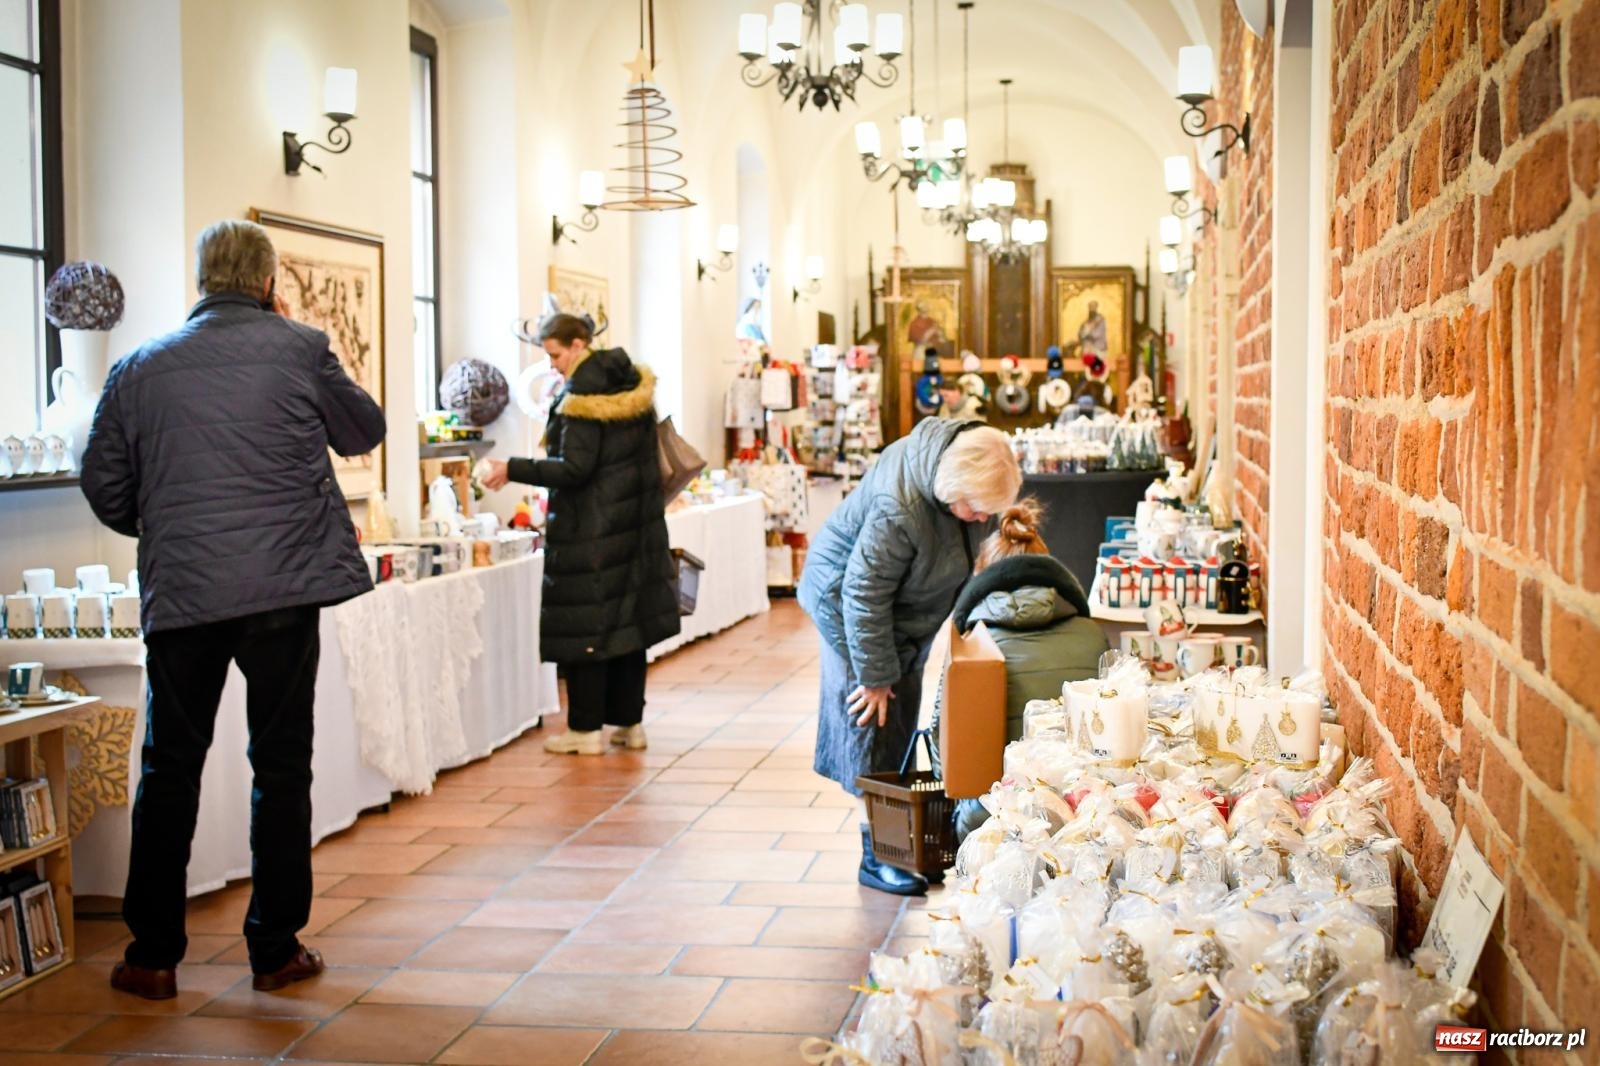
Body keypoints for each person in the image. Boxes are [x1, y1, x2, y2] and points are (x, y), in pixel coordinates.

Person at [80, 219, 386, 1000]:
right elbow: (364, 431)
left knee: (168, 768)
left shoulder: (139, 368)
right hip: (283, 590)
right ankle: (275, 949)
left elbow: (107, 487)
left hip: (185, 595)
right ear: (266, 281)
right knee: (279, 766)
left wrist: (174, 527)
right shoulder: (298, 345)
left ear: (200, 280)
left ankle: (151, 954)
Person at [798, 418, 1022, 896]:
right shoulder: (898, 508)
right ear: (952, 489)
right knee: (871, 722)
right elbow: (862, 594)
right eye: (976, 508)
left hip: (898, 614)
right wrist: (875, 675)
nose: (982, 519)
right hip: (848, 608)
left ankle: (898, 842)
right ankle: (876, 855)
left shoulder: (949, 475)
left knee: (899, 723)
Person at [480, 314, 679, 756]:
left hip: (590, 531)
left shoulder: (583, 398)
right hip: (634, 526)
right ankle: (631, 725)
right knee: (628, 628)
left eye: (555, 355)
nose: (552, 365)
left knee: (585, 629)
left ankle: (585, 730)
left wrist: (510, 468)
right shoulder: (630, 388)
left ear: (578, 345)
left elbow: (575, 468)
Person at [919, 499, 1107, 841]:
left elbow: (944, 749)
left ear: (983, 573)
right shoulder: (1093, 636)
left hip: (992, 813)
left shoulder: (972, 648)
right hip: (1080, 808)